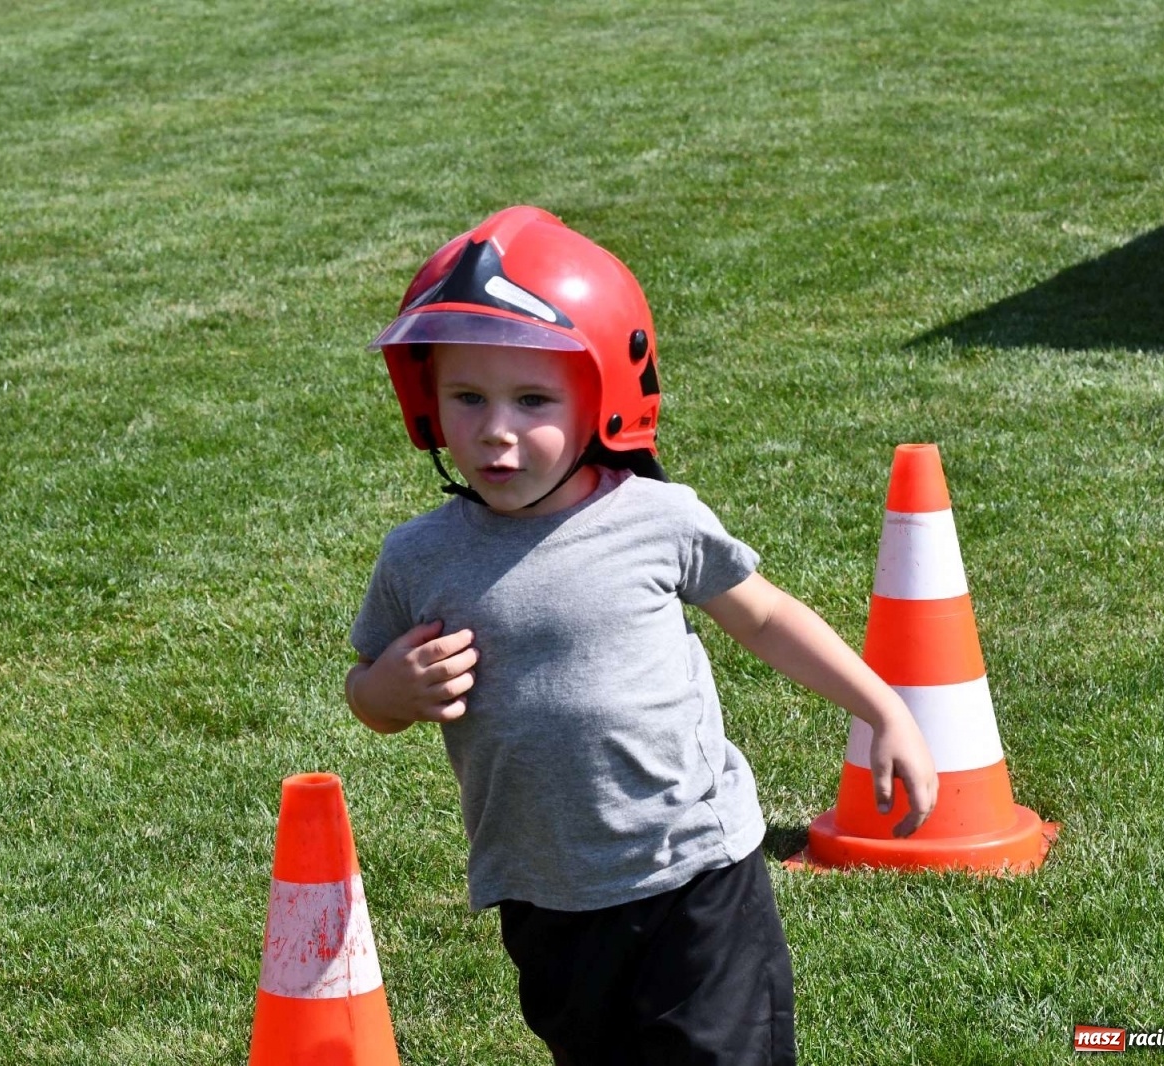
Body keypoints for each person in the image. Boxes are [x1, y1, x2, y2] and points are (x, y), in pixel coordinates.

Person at [346, 206, 939, 1064]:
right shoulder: (419, 556)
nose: (496, 429)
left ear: (602, 398)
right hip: (546, 899)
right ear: (426, 401)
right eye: (467, 397)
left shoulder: (657, 520)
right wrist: (388, 692)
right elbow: (368, 691)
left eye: (533, 399)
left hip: (695, 879)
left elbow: (765, 617)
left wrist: (884, 708)